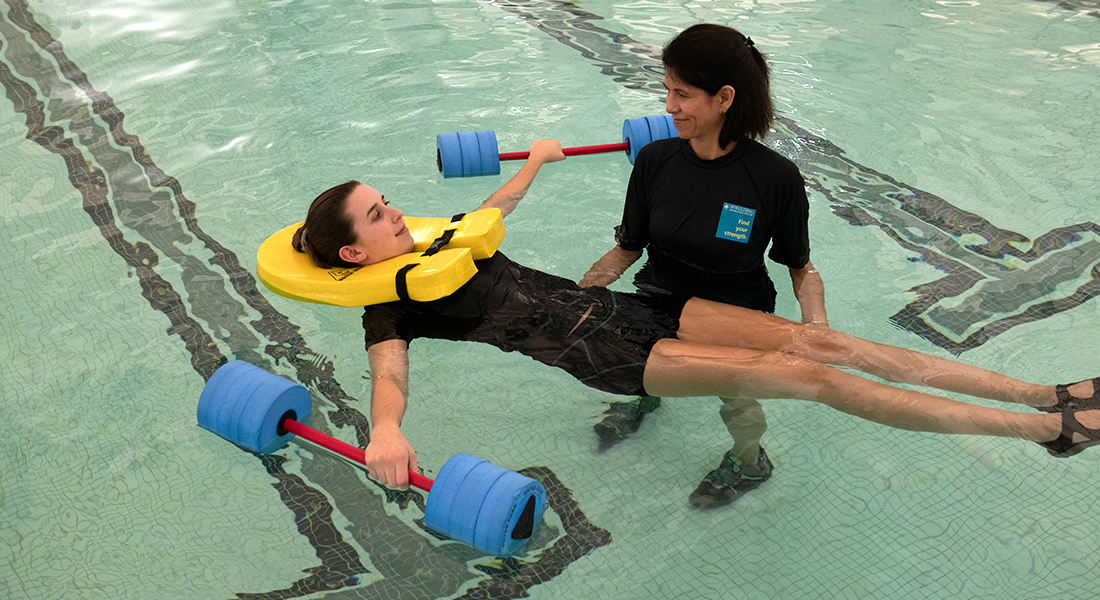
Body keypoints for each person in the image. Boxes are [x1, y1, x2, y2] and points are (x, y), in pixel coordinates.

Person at [290, 140, 1100, 495]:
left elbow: (491, 209)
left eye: (386, 201)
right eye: (377, 214)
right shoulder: (389, 304)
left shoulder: (444, 242)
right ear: (354, 254)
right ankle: (1045, 434)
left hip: (639, 306)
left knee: (825, 339)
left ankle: (1041, 391)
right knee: (811, 378)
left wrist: (534, 160)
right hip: (609, 356)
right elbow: (388, 374)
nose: (395, 213)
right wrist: (384, 430)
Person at [580, 24, 823, 507]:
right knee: (631, 361)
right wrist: (583, 293)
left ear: (724, 98)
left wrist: (817, 329)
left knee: (735, 398)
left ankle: (751, 461)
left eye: (682, 94)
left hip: (735, 312)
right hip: (659, 296)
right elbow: (629, 248)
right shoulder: (654, 160)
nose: (668, 106)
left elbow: (801, 268)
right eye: (667, 90)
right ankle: (644, 396)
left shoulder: (775, 179)